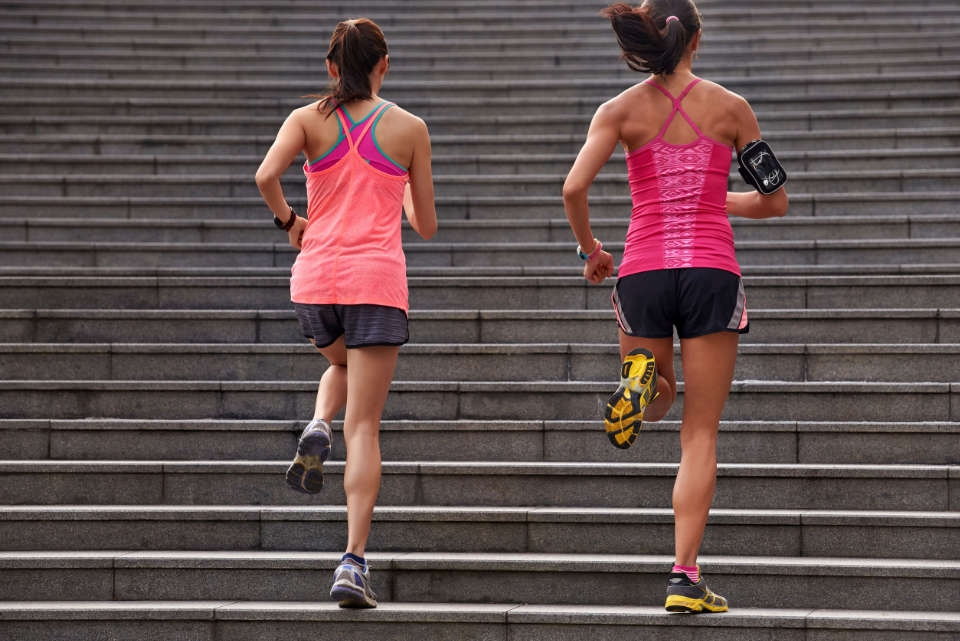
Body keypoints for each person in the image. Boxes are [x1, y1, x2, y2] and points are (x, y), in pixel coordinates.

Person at [562, 0, 788, 613]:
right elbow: (776, 201)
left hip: (642, 270)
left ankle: (640, 381)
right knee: (699, 431)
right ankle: (684, 576)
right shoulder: (732, 108)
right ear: (696, 41)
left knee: (659, 399)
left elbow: (573, 187)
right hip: (711, 271)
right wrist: (716, 201)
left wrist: (592, 251)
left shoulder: (619, 110)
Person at [255, 17, 437, 609]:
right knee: (367, 426)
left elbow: (265, 176)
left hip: (315, 280)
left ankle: (317, 423)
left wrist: (291, 222)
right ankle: (353, 563)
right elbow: (425, 225)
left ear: (332, 67)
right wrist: (401, 187)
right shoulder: (409, 128)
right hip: (376, 282)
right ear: (384, 65)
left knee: (340, 364)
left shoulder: (307, 118)